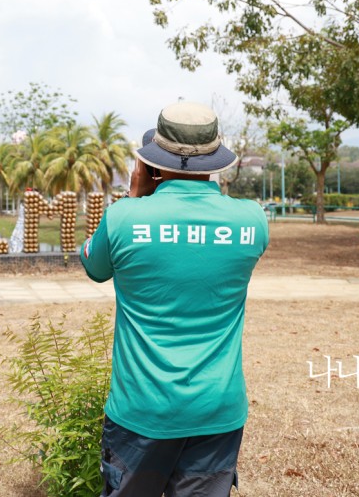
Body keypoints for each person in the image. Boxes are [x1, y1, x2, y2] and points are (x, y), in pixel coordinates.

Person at [79, 101, 269, 497]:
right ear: (215, 157)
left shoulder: (124, 218)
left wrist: (134, 197)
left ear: (152, 162)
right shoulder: (252, 220)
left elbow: (95, 267)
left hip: (141, 410)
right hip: (217, 410)